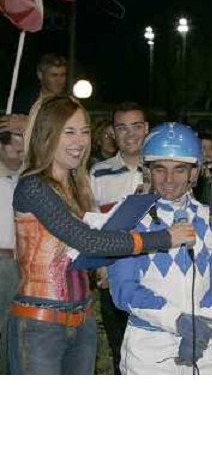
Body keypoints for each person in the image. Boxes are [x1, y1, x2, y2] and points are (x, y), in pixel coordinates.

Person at [7, 95, 195, 375]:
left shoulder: (77, 184)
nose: (80, 141)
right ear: (47, 135)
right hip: (40, 323)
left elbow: (83, 252)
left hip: (81, 321)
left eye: (84, 131)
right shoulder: (33, 186)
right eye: (69, 131)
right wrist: (164, 238)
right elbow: (88, 241)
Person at [108, 123, 212, 375]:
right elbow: (123, 289)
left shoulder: (211, 219)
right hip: (149, 350)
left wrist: (200, 323)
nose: (169, 180)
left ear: (194, 173)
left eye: (179, 170)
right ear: (147, 171)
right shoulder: (127, 218)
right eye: (160, 169)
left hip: (203, 344)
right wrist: (177, 321)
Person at [89, 102, 149, 374]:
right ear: (113, 132)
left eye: (136, 126)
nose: (130, 134)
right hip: (114, 277)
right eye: (122, 128)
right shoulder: (98, 172)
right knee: (120, 352)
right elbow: (92, 225)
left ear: (146, 129)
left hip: (156, 277)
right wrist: (100, 264)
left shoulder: (164, 169)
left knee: (153, 353)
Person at [0, 129, 24, 374]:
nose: (21, 156)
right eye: (16, 150)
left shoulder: (21, 182)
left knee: (9, 329)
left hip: (15, 263)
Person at [0, 53, 68, 135]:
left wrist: (29, 124)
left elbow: (65, 129)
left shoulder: (69, 103)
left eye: (62, 75)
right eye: (54, 75)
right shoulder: (25, 99)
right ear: (40, 75)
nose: (59, 81)